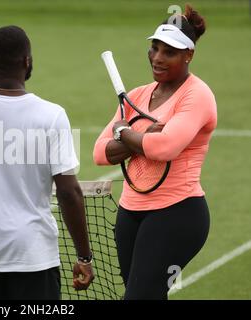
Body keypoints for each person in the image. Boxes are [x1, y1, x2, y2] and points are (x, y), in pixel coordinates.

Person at [0, 25, 94, 300]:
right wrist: (85, 256)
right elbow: (69, 193)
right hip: (34, 258)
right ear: (27, 61)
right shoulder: (53, 116)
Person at [93, 5, 217, 300]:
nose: (158, 58)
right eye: (155, 48)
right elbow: (99, 153)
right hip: (129, 214)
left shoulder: (197, 95)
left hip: (178, 215)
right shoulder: (136, 95)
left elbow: (166, 147)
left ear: (189, 55)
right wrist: (141, 136)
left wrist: (123, 132)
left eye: (169, 52)